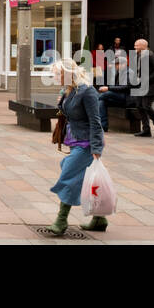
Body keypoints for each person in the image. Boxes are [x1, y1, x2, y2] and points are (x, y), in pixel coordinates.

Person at [47, 57, 107, 236]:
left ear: (68, 72)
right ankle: (99, 218)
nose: (55, 76)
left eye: (58, 73)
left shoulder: (87, 91)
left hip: (87, 143)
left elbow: (96, 121)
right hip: (74, 140)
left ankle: (61, 219)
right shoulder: (69, 89)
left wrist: (97, 148)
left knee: (68, 175)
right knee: (82, 178)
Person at [130, 38, 154, 137]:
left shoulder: (151, 55)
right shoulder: (138, 55)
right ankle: (146, 130)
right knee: (139, 106)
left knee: (146, 106)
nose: (134, 47)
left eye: (136, 45)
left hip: (150, 86)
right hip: (140, 85)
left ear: (143, 46)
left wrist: (147, 79)